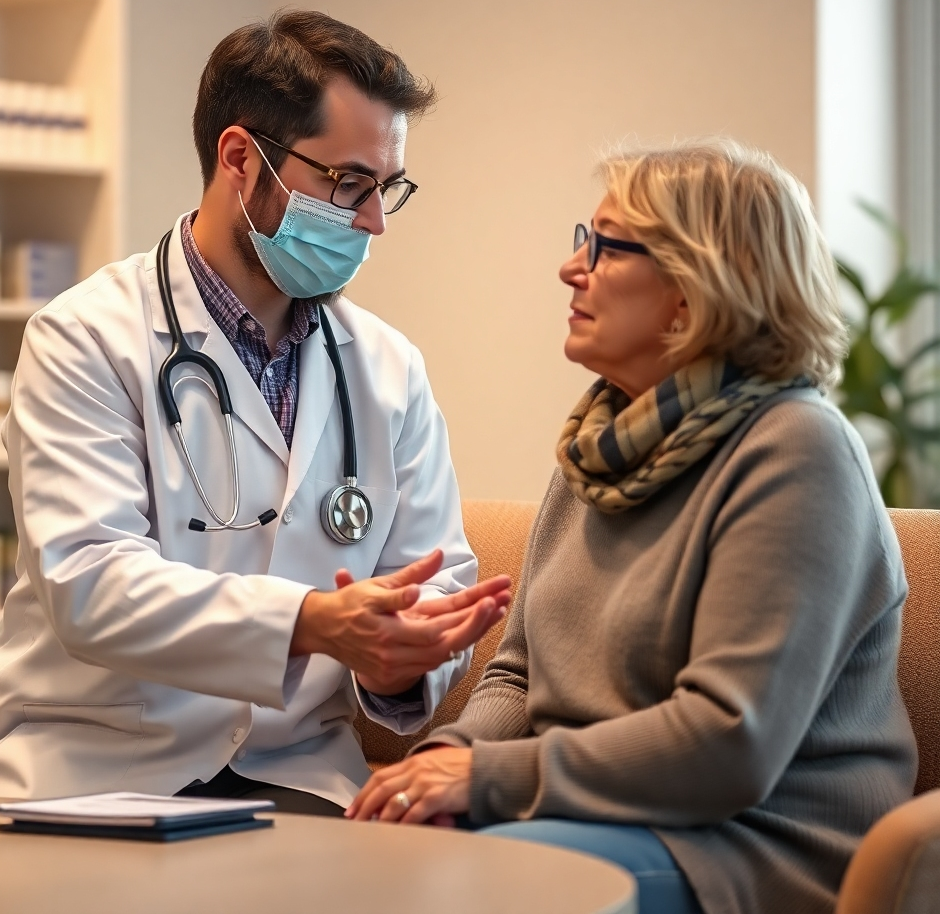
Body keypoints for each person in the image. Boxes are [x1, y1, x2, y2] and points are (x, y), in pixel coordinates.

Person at [347, 140, 918, 913]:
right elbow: (519, 675)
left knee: (478, 884)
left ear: (693, 292)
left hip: (748, 844)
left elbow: (729, 740)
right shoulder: (601, 447)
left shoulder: (797, 450)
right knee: (380, 864)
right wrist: (449, 756)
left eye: (606, 247)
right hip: (583, 814)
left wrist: (488, 780)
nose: (570, 269)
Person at [0, 11, 511, 814]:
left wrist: (401, 661)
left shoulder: (388, 368)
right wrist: (311, 622)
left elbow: (434, 578)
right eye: (349, 183)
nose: (374, 222)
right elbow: (88, 581)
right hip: (99, 772)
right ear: (239, 159)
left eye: (386, 187)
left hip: (298, 778)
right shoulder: (86, 337)